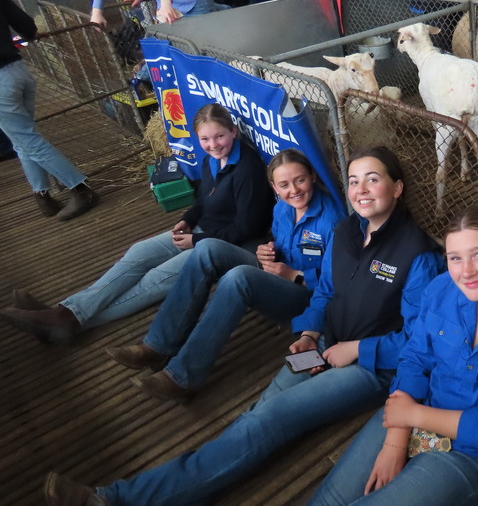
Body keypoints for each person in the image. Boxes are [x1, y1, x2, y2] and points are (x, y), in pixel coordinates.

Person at [42, 146, 445, 506]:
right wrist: (307, 333)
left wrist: (357, 350)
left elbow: (417, 343)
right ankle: (181, 484)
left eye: (373, 179)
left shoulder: (418, 255)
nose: (361, 189)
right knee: (258, 416)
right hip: (323, 343)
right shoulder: (344, 232)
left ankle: (119, 499)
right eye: (354, 180)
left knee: (266, 421)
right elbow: (324, 292)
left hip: (371, 368)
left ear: (397, 188)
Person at [308, 206, 478, 506]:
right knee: (331, 500)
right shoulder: (442, 288)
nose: (465, 271)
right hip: (414, 406)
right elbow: (416, 357)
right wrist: (396, 439)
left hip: (471, 451)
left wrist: (414, 416)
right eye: (455, 258)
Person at [1, 104, 273, 344]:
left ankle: (66, 318)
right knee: (138, 252)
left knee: (155, 279)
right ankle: (64, 313)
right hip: (201, 231)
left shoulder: (247, 169)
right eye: (205, 138)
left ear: (233, 132)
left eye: (219, 136)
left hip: (224, 244)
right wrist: (187, 219)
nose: (213, 144)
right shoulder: (210, 160)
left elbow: (246, 228)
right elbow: (203, 201)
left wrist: (197, 241)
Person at [106, 148, 344, 401]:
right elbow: (278, 242)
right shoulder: (282, 209)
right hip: (277, 272)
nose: (294, 190)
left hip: (306, 296)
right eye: (284, 184)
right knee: (207, 248)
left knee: (239, 277)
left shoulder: (333, 221)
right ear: (274, 187)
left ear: (313, 177)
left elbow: (339, 280)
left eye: (300, 180)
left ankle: (182, 376)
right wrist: (268, 249)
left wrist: (295, 275)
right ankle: (157, 346)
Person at [0, 0, 99, 220]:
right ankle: (42, 195)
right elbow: (26, 25)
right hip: (18, 72)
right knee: (23, 139)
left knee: (29, 140)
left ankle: (81, 190)